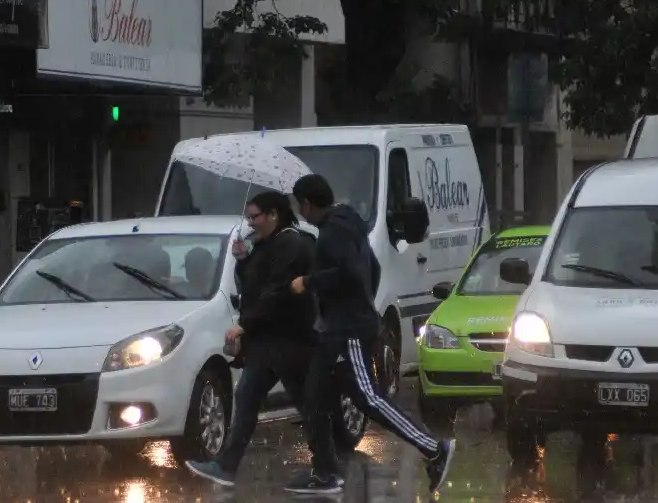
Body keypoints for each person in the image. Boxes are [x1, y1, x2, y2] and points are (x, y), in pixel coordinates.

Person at [287, 174, 456, 495]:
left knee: (369, 397)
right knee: (314, 396)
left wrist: (309, 283)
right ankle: (325, 472)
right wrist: (363, 304)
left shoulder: (333, 232)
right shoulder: (348, 224)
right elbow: (372, 270)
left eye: (299, 205)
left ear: (307, 203)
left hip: (347, 329)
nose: (299, 211)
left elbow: (349, 273)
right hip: (339, 328)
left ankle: (434, 449)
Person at [184, 191, 320, 487]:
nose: (251, 223)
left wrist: (244, 325)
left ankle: (327, 468)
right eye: (248, 217)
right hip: (268, 342)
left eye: (255, 216)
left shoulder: (290, 244)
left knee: (307, 405)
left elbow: (276, 293)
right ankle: (227, 466)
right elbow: (254, 285)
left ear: (274, 214)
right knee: (248, 397)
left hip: (289, 339)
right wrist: (243, 260)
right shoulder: (266, 243)